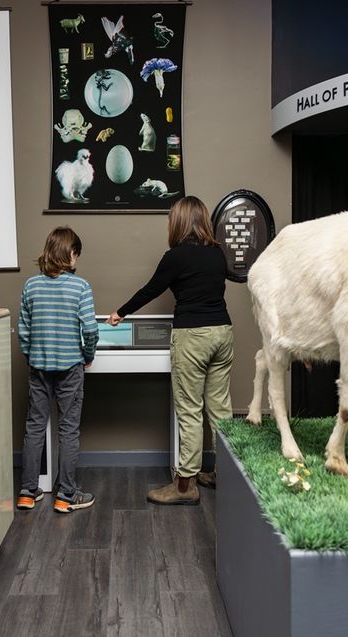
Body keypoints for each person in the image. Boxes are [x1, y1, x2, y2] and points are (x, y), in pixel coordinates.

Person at [108, 196, 233, 505]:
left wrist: (121, 313)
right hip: (223, 332)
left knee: (189, 411)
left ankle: (184, 487)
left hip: (192, 336)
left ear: (178, 223)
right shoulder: (217, 254)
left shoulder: (175, 256)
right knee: (220, 409)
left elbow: (151, 289)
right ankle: (228, 476)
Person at [17, 227, 99, 513]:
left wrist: (32, 355)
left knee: (35, 426)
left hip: (39, 367)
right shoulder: (80, 287)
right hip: (70, 367)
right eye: (76, 253)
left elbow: (23, 331)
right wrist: (88, 355)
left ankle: (27, 492)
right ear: (70, 253)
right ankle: (66, 496)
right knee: (68, 429)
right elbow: (90, 329)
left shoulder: (31, 286)